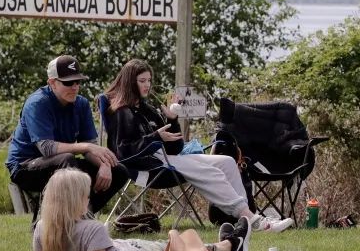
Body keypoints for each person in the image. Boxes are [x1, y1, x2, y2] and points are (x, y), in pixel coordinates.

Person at [103, 59, 294, 232]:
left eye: (149, 80)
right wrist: (156, 137)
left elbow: (175, 147)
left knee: (227, 162)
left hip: (168, 158)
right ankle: (254, 221)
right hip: (148, 167)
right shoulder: (122, 112)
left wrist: (172, 119)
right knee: (212, 173)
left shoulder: (147, 110)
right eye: (142, 81)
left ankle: (244, 219)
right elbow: (124, 152)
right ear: (130, 82)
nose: (147, 85)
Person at [32, 168, 251, 251]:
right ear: (74, 200)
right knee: (178, 248)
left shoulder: (43, 228)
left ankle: (226, 246)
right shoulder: (92, 229)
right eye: (84, 195)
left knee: (164, 243)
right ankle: (231, 246)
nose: (88, 200)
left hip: (121, 248)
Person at [6, 55, 128, 215]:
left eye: (78, 82)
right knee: (67, 160)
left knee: (119, 170)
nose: (75, 87)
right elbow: (47, 148)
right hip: (24, 166)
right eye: (68, 82)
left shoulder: (82, 104)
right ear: (52, 83)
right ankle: (70, 220)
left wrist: (104, 165)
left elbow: (89, 148)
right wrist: (87, 146)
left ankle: (83, 214)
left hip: (62, 163)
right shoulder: (37, 103)